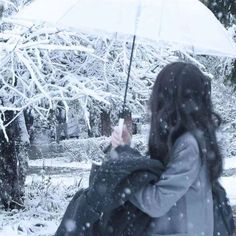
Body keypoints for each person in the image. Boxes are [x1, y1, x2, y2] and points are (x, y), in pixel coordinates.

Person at [111, 62, 224, 236]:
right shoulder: (190, 138)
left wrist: (124, 178)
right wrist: (125, 148)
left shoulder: (188, 144)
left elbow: (156, 202)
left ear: (166, 97)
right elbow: (164, 180)